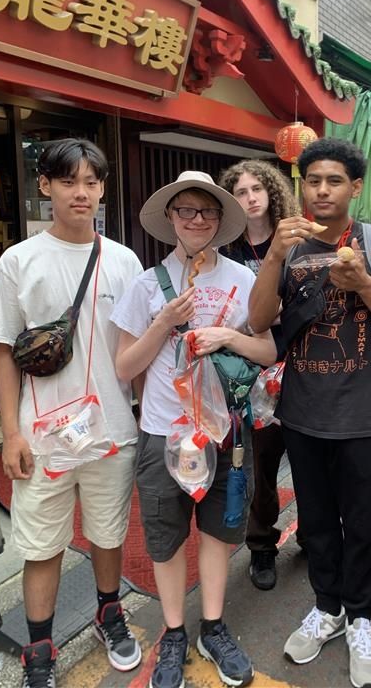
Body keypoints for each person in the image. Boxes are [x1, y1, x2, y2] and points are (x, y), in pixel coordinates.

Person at [249, 138, 371, 688]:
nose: (322, 190)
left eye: (334, 181)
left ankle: (362, 616)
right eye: (313, 180)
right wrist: (274, 254)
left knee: (366, 522)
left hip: (366, 414)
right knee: (317, 522)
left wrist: (364, 283)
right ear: (302, 185)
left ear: (353, 188)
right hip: (302, 413)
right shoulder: (289, 244)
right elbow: (257, 321)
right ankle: (328, 606)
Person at [0, 139, 144, 687]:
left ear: (101, 189)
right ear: (45, 186)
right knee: (41, 545)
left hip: (112, 431)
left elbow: (136, 345)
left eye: (91, 182)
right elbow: (2, 348)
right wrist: (14, 433)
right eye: (68, 181)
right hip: (43, 437)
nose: (82, 193)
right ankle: (41, 648)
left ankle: (108, 611)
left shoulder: (123, 260)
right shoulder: (19, 261)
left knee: (108, 534)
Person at [111, 171, 276, 688]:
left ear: (221, 220)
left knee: (217, 530)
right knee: (164, 538)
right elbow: (123, 367)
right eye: (186, 211)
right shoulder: (145, 285)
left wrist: (227, 334)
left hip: (223, 432)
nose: (197, 220)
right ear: (171, 220)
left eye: (206, 211)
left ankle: (212, 625)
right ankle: (175, 631)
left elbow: (268, 351)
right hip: (164, 430)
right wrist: (164, 323)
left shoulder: (243, 280)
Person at [218, 160, 300, 591]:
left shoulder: (293, 241)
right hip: (251, 370)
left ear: (271, 192)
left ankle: (312, 530)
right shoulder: (226, 249)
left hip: (302, 365)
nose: (249, 197)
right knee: (261, 462)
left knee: (308, 458)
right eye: (240, 191)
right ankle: (262, 545)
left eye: (256, 189)